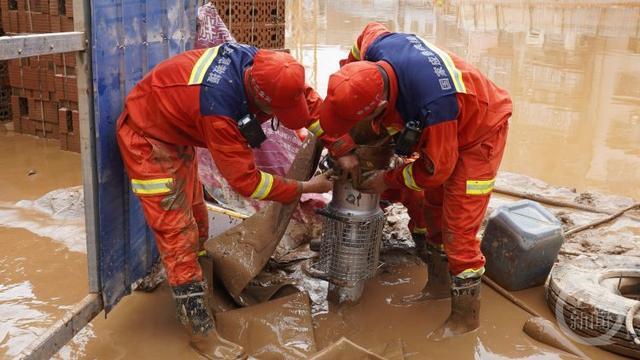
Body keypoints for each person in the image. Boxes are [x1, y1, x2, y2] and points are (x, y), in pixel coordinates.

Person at [116, 42, 342, 358]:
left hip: (174, 129)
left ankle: (202, 290)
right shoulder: (219, 109)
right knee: (178, 235)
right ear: (258, 99)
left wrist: (341, 146)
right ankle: (200, 332)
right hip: (148, 140)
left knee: (197, 219)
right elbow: (246, 182)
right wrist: (305, 187)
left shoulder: (273, 67)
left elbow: (310, 105)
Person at [318, 22, 512, 339]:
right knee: (433, 209)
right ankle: (437, 286)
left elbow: (437, 170)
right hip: (441, 127)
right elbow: (364, 35)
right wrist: (349, 74)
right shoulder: (376, 47)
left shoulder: (434, 104)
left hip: (479, 134)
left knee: (457, 228)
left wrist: (388, 179)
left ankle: (466, 319)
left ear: (381, 106)